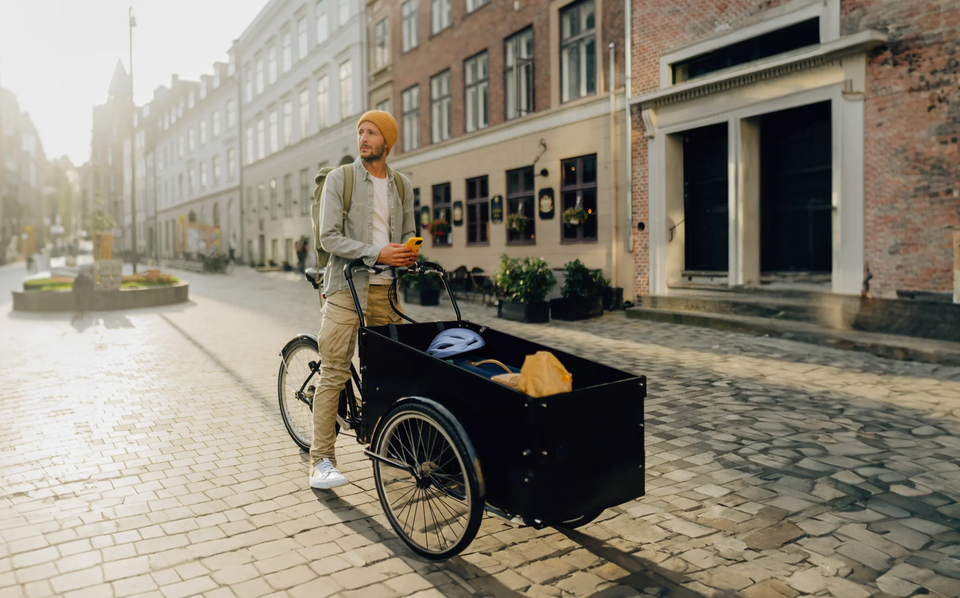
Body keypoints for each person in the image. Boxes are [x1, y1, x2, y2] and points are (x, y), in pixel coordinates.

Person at [309, 110, 417, 489]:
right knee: (335, 372)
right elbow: (329, 237)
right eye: (361, 132)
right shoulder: (342, 178)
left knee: (393, 371)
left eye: (372, 133)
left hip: (386, 292)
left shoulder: (401, 186)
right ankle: (321, 460)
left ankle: (392, 447)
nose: (364, 138)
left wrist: (407, 253)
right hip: (345, 288)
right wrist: (377, 253)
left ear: (387, 142)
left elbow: (407, 234)